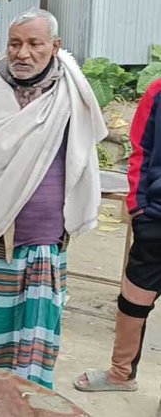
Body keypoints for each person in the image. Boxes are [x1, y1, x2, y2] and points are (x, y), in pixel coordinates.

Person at [0, 8, 107, 389]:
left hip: (47, 244)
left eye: (34, 44)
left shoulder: (70, 95)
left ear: (55, 46)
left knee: (37, 351)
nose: (23, 53)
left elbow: (83, 157)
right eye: (15, 43)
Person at [74, 79, 161, 393]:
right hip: (156, 220)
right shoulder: (158, 91)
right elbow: (140, 149)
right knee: (133, 301)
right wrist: (138, 206)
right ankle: (121, 375)